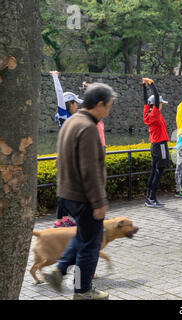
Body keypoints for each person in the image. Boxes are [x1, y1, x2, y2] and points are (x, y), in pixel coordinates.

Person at [44, 83, 117, 300]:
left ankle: (58, 270)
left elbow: (59, 161)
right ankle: (82, 290)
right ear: (100, 104)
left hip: (67, 194)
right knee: (90, 246)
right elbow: (90, 169)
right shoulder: (87, 127)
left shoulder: (71, 121)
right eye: (109, 106)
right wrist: (99, 201)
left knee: (82, 235)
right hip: (84, 196)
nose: (109, 111)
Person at [50, 71, 82, 228]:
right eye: (75, 103)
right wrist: (55, 76)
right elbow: (59, 93)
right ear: (69, 104)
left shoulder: (67, 117)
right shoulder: (63, 114)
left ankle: (63, 219)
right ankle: (61, 220)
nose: (76, 106)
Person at [142, 78, 170, 208]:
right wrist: (152, 83)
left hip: (154, 146)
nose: (162, 104)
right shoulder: (155, 113)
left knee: (154, 171)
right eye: (161, 103)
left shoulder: (147, 113)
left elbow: (145, 101)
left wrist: (144, 87)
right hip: (161, 145)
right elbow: (156, 97)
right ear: (156, 104)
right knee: (159, 172)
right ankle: (152, 199)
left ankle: (149, 198)